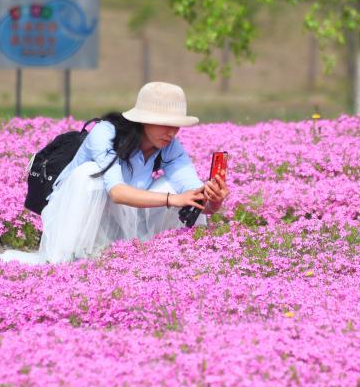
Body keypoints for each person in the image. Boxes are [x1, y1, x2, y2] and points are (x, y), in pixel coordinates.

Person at [38, 81, 228, 263]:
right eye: (164, 123)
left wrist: (214, 199)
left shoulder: (171, 146)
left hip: (121, 222)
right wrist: (172, 199)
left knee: (171, 187)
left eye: (176, 125)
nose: (171, 132)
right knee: (89, 174)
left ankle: (158, 256)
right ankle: (70, 257)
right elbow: (117, 193)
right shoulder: (105, 133)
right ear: (144, 120)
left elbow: (196, 199)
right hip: (70, 220)